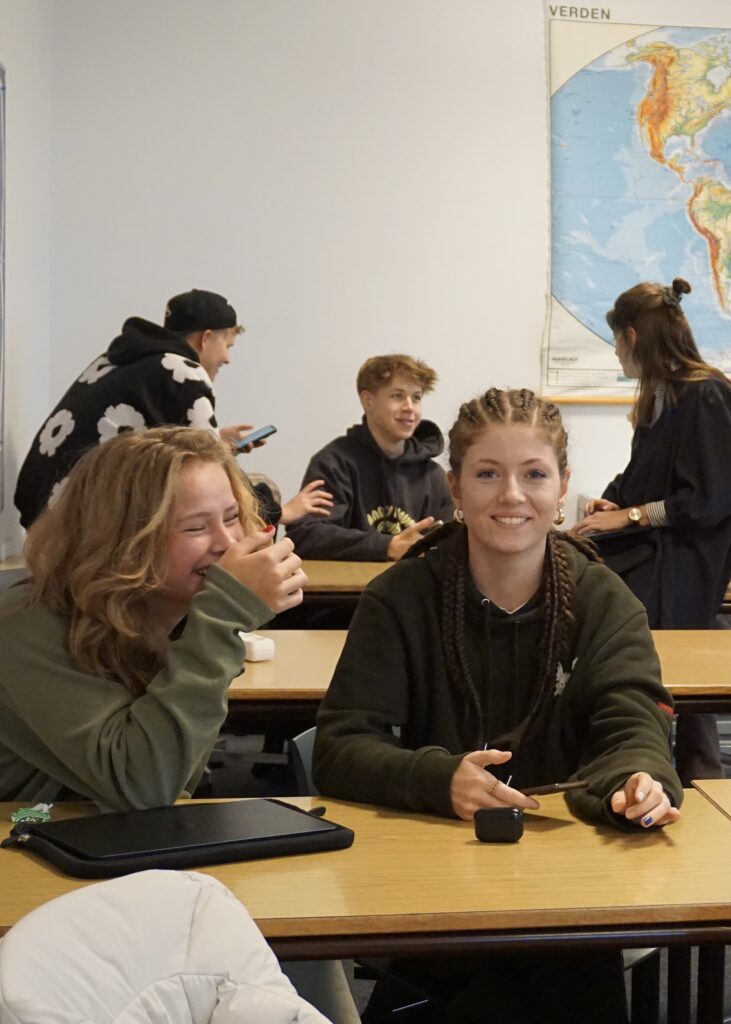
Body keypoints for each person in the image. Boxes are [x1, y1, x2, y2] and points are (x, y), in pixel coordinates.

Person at [313, 387, 682, 1024]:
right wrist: (436, 777)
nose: (512, 495)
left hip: (570, 901)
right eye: (487, 474)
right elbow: (343, 744)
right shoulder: (400, 599)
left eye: (534, 474)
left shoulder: (603, 600)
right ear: (454, 487)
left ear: (562, 486)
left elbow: (633, 722)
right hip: (430, 891)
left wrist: (636, 782)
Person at [0, 427, 307, 809]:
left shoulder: (164, 610)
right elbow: (143, 787)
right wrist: (223, 615)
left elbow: (180, 780)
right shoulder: (25, 626)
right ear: (122, 541)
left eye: (231, 517)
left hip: (96, 834)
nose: (228, 543)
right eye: (195, 526)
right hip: (24, 831)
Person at [575, 277, 731, 783]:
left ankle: (695, 779)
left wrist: (631, 516)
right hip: (658, 558)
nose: (617, 353)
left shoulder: (705, 396)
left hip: (685, 567)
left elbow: (707, 501)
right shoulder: (659, 399)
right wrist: (612, 500)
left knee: (663, 671)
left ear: (633, 337)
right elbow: (638, 477)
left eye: (616, 341)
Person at [13, 288, 332, 530]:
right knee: (239, 505)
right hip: (78, 521)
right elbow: (213, 471)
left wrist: (216, 437)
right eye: (227, 346)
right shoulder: (183, 372)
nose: (227, 359)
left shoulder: (122, 360)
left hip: (45, 512)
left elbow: (145, 438)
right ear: (207, 339)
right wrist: (281, 510)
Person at [287, 354, 454, 561]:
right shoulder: (334, 464)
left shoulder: (433, 475)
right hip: (347, 591)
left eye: (416, 397)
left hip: (413, 590)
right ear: (368, 400)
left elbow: (451, 544)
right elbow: (305, 536)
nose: (409, 407)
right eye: (397, 396)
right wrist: (387, 546)